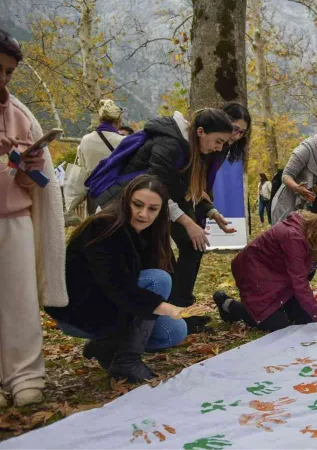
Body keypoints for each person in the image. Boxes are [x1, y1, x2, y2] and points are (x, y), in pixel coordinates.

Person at [45, 175, 187, 382]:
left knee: (174, 331)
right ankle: (127, 360)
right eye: (137, 205)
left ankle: (106, 345)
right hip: (82, 310)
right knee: (159, 280)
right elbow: (117, 286)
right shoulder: (103, 227)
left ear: (160, 211)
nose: (143, 214)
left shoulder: (149, 232)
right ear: (125, 200)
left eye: (152, 209)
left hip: (113, 304)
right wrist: (166, 308)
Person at [94, 108, 236, 307]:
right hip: (129, 205)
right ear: (201, 131)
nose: (219, 148)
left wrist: (211, 211)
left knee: (183, 250)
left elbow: (184, 188)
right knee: (158, 260)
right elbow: (156, 189)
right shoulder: (170, 144)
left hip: (153, 204)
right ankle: (162, 309)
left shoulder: (191, 148)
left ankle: (175, 308)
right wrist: (187, 222)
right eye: (218, 141)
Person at [0, 28, 68, 408]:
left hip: (14, 219)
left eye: (9, 72)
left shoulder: (20, 115)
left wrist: (30, 163)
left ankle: (24, 372)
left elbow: (31, 184)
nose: (3, 79)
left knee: (19, 299)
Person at [213, 209, 317, 333]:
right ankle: (228, 304)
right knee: (277, 324)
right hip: (254, 272)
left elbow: (303, 278)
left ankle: (277, 305)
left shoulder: (313, 237)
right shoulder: (294, 237)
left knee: (306, 318)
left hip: (279, 275)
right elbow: (299, 282)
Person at [271, 119, 317, 224]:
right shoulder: (306, 149)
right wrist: (297, 188)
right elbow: (286, 176)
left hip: (315, 209)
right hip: (290, 205)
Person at [77, 99, 125, 214]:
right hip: (117, 195)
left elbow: (82, 167)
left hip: (94, 193)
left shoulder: (85, 140)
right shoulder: (124, 142)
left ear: (100, 120)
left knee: (95, 229)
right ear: (118, 121)